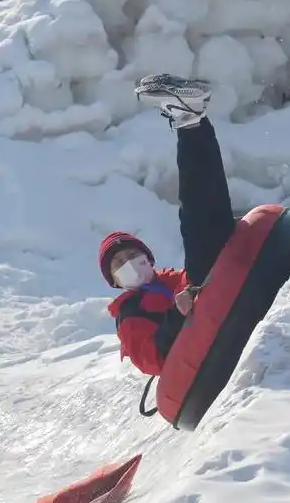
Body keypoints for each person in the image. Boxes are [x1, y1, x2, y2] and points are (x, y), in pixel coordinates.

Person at [100, 74, 238, 376]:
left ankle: (196, 120)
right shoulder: (129, 314)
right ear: (114, 281)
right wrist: (177, 313)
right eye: (120, 263)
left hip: (222, 307)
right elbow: (150, 359)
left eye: (133, 256)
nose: (130, 263)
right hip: (203, 352)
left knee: (213, 209)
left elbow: (191, 279)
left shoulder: (168, 281)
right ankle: (188, 120)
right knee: (196, 223)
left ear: (149, 259)